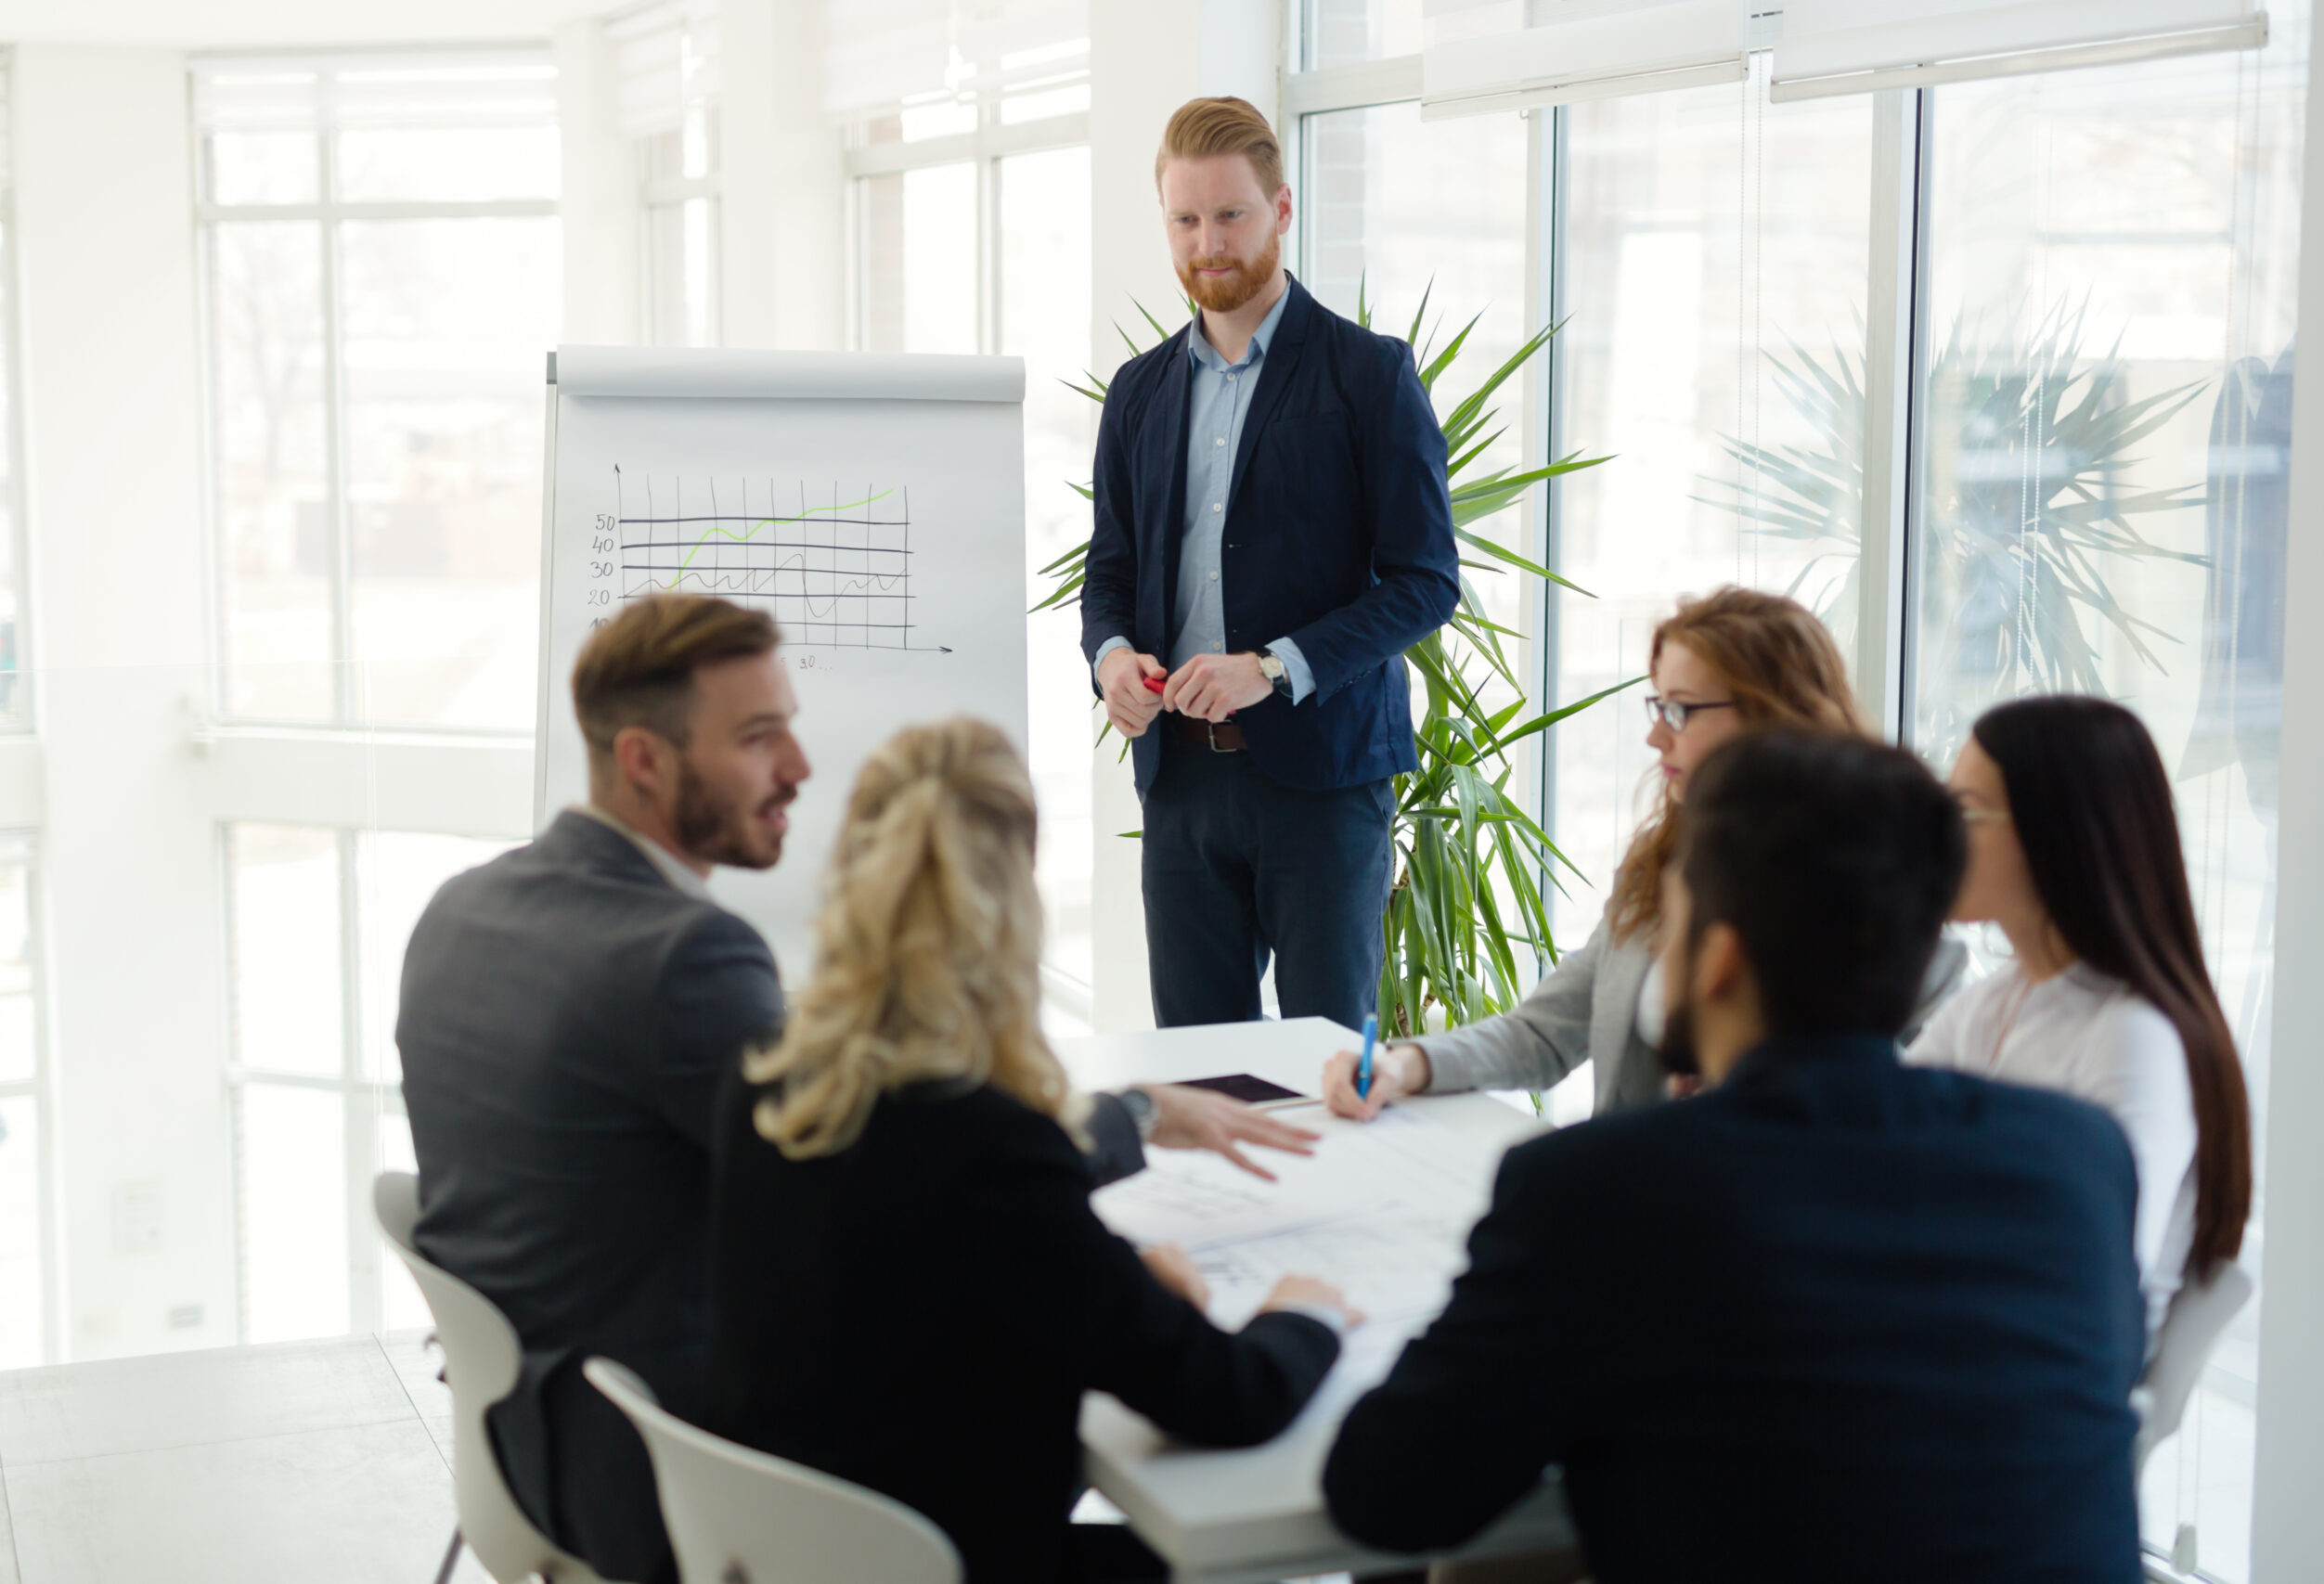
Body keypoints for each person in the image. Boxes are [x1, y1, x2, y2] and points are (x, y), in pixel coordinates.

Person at [399, 595, 1322, 1583]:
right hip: (684, 1487)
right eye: (760, 738)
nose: (799, 766)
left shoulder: (464, 907)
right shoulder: (682, 961)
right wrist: (1119, 1146)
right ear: (643, 760)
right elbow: (893, 1147)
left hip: (521, 1437)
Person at [1322, 731, 2149, 1583]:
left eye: (1671, 921)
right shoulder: (2079, 1158)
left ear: (1717, 958)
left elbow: (1386, 1494)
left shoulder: (1604, 1190)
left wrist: (1308, 1323)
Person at [704, 718, 1353, 1584]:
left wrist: (1118, 1265)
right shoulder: (997, 1151)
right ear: (1014, 901)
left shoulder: (768, 1085)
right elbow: (1227, 1396)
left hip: (797, 1553)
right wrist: (1302, 1314)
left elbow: (925, 1231)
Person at [1080, 96, 1459, 1030]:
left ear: (1281, 211)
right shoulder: (1137, 393)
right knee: (1200, 1071)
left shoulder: (1368, 375)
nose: (1206, 242)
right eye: (1184, 219)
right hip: (1180, 788)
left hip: (1324, 786)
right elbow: (1110, 575)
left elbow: (1425, 582)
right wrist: (1111, 658)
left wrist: (1273, 670)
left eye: (1230, 214)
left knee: (1329, 1068)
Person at [1321, 586, 1964, 1121]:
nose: (1655, 736)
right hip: (1636, 1205)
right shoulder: (1664, 864)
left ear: (1773, 712)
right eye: (1657, 705)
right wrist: (1410, 1064)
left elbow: (1911, 1112)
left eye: (1680, 710)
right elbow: (1545, 1031)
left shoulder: (1885, 893)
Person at [1908, 695, 2253, 1341]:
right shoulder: (1995, 1002)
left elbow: (2091, 1266)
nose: (1942, 836)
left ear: (2058, 834)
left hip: (2037, 1384)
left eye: (1966, 811)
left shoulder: (2134, 1034)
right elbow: (1869, 1142)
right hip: (1972, 1354)